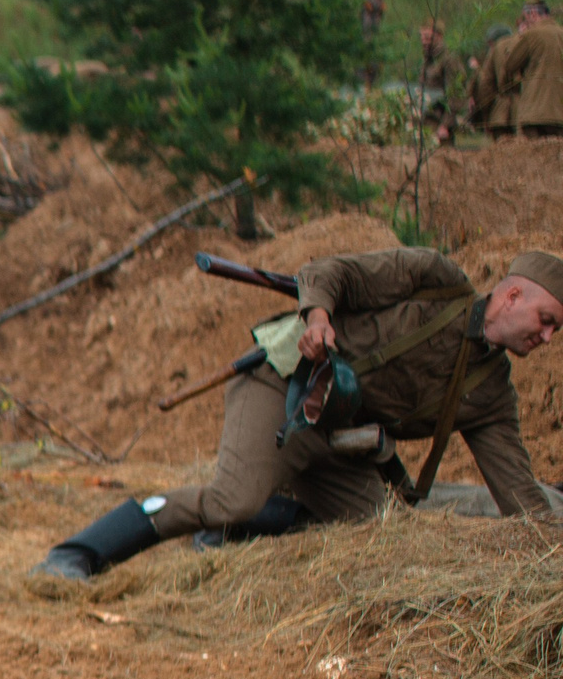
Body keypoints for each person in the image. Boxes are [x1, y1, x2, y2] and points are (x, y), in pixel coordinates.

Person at [33, 248, 563, 581]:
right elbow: (328, 272)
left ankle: (238, 528)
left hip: (336, 438)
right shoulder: (434, 280)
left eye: (554, 331)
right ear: (512, 294)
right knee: (232, 498)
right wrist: (318, 319)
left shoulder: (490, 392)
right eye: (545, 320)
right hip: (283, 384)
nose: (546, 337)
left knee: (380, 526)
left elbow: (521, 498)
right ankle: (78, 554)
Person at [480, 0, 563, 140]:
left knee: (533, 158)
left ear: (532, 14)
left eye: (526, 18)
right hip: (559, 113)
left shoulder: (531, 35)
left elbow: (510, 65)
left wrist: (508, 87)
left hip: (534, 113)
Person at [469, 24, 517, 136]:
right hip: (519, 114)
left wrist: (483, 115)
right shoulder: (519, 51)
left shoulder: (494, 57)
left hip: (499, 114)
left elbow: (485, 87)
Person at [419, 20, 460, 141]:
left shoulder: (448, 60)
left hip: (440, 124)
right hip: (427, 121)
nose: (423, 42)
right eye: (422, 38)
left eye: (427, 37)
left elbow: (454, 93)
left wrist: (445, 125)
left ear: (439, 36)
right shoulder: (428, 60)